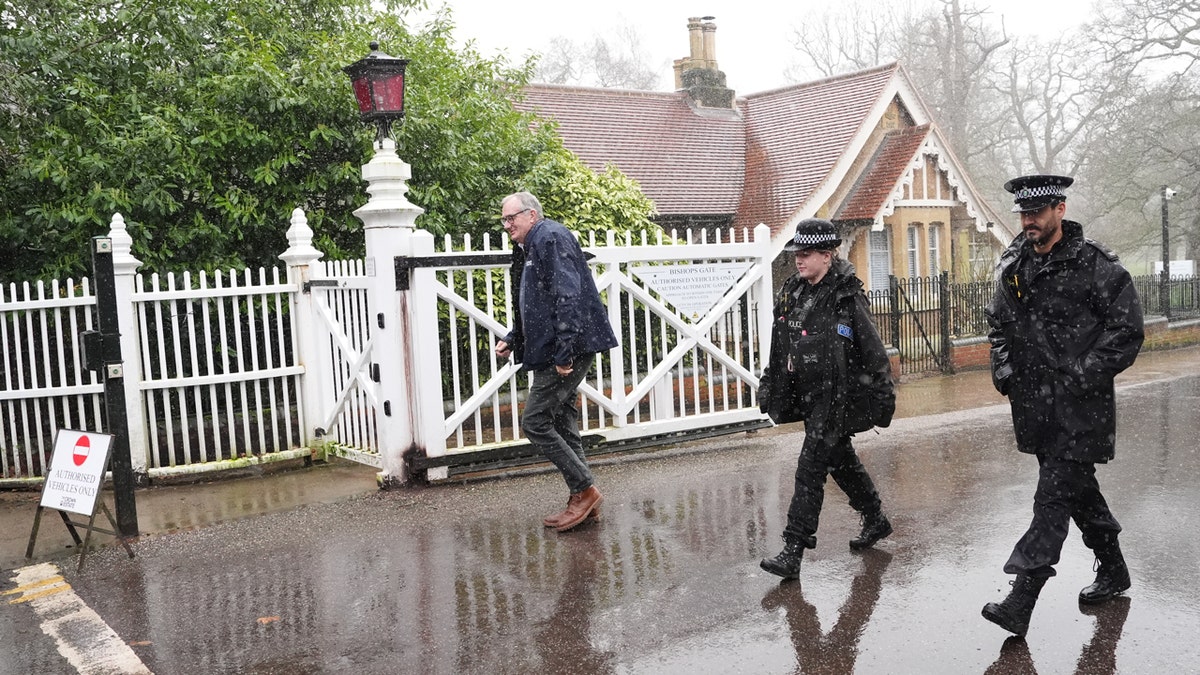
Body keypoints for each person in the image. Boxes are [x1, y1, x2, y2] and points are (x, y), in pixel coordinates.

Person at [981, 174, 1144, 637]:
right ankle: (1114, 570)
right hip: (1034, 406)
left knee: (1051, 499)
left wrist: (1081, 374)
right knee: (1078, 492)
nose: (1028, 221)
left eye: (1037, 212)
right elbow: (998, 322)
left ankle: (1021, 600)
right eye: (1023, 213)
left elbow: (1126, 330)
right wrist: (1004, 367)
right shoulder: (1015, 262)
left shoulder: (1096, 265)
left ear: (1061, 210)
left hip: (1080, 409)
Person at [758, 218, 896, 580]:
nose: (798, 261)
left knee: (810, 468)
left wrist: (883, 396)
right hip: (806, 394)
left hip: (838, 398)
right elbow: (780, 344)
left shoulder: (847, 296)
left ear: (827, 255)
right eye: (796, 254)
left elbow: (873, 351)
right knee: (840, 460)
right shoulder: (793, 290)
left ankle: (793, 549)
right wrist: (769, 383)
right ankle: (876, 518)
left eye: (805, 255)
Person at [494, 191, 618, 532]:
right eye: (503, 220)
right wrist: (513, 336)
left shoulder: (550, 237)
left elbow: (568, 296)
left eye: (511, 218)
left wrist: (565, 352)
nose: (507, 225)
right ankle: (582, 497)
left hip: (567, 348)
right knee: (562, 419)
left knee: (535, 422)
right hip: (555, 345)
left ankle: (585, 491)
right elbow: (536, 300)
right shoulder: (530, 245)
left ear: (531, 215)